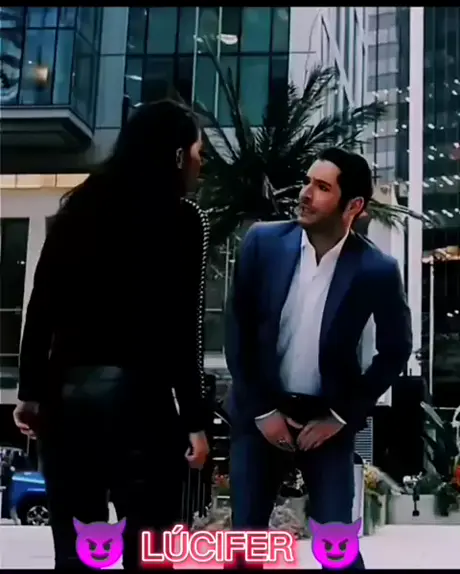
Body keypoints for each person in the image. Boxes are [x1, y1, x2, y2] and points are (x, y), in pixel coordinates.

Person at [13, 99, 210, 569]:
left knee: (77, 551)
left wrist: (30, 392)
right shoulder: (181, 220)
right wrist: (195, 420)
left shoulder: (78, 207)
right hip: (141, 406)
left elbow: (42, 306)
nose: (201, 164)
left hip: (68, 402)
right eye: (198, 153)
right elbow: (182, 329)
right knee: (150, 549)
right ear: (177, 155)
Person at [226, 147, 413, 569]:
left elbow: (396, 349)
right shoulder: (262, 243)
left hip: (326, 419)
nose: (306, 194)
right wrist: (262, 411)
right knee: (245, 546)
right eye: (308, 182)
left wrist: (342, 416)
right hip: (260, 412)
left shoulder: (376, 270)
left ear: (353, 205)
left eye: (322, 187)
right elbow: (238, 332)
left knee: (337, 549)